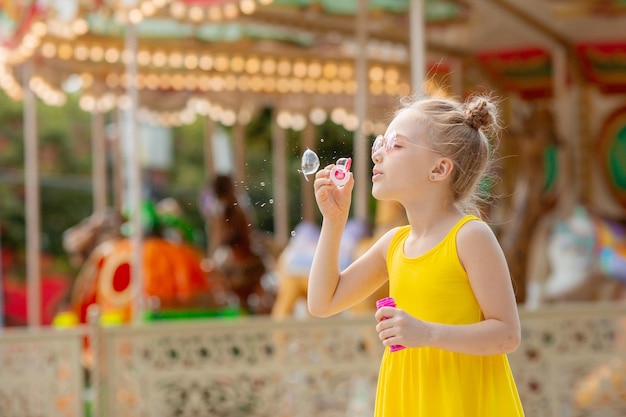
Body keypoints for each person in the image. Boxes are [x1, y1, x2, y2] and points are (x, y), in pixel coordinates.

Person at [307, 93, 524, 416]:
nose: (378, 154)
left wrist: (426, 333)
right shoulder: (393, 243)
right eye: (380, 142)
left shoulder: (469, 236)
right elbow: (322, 302)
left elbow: (507, 335)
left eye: (394, 144)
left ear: (439, 169)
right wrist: (334, 221)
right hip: (408, 399)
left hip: (461, 401)